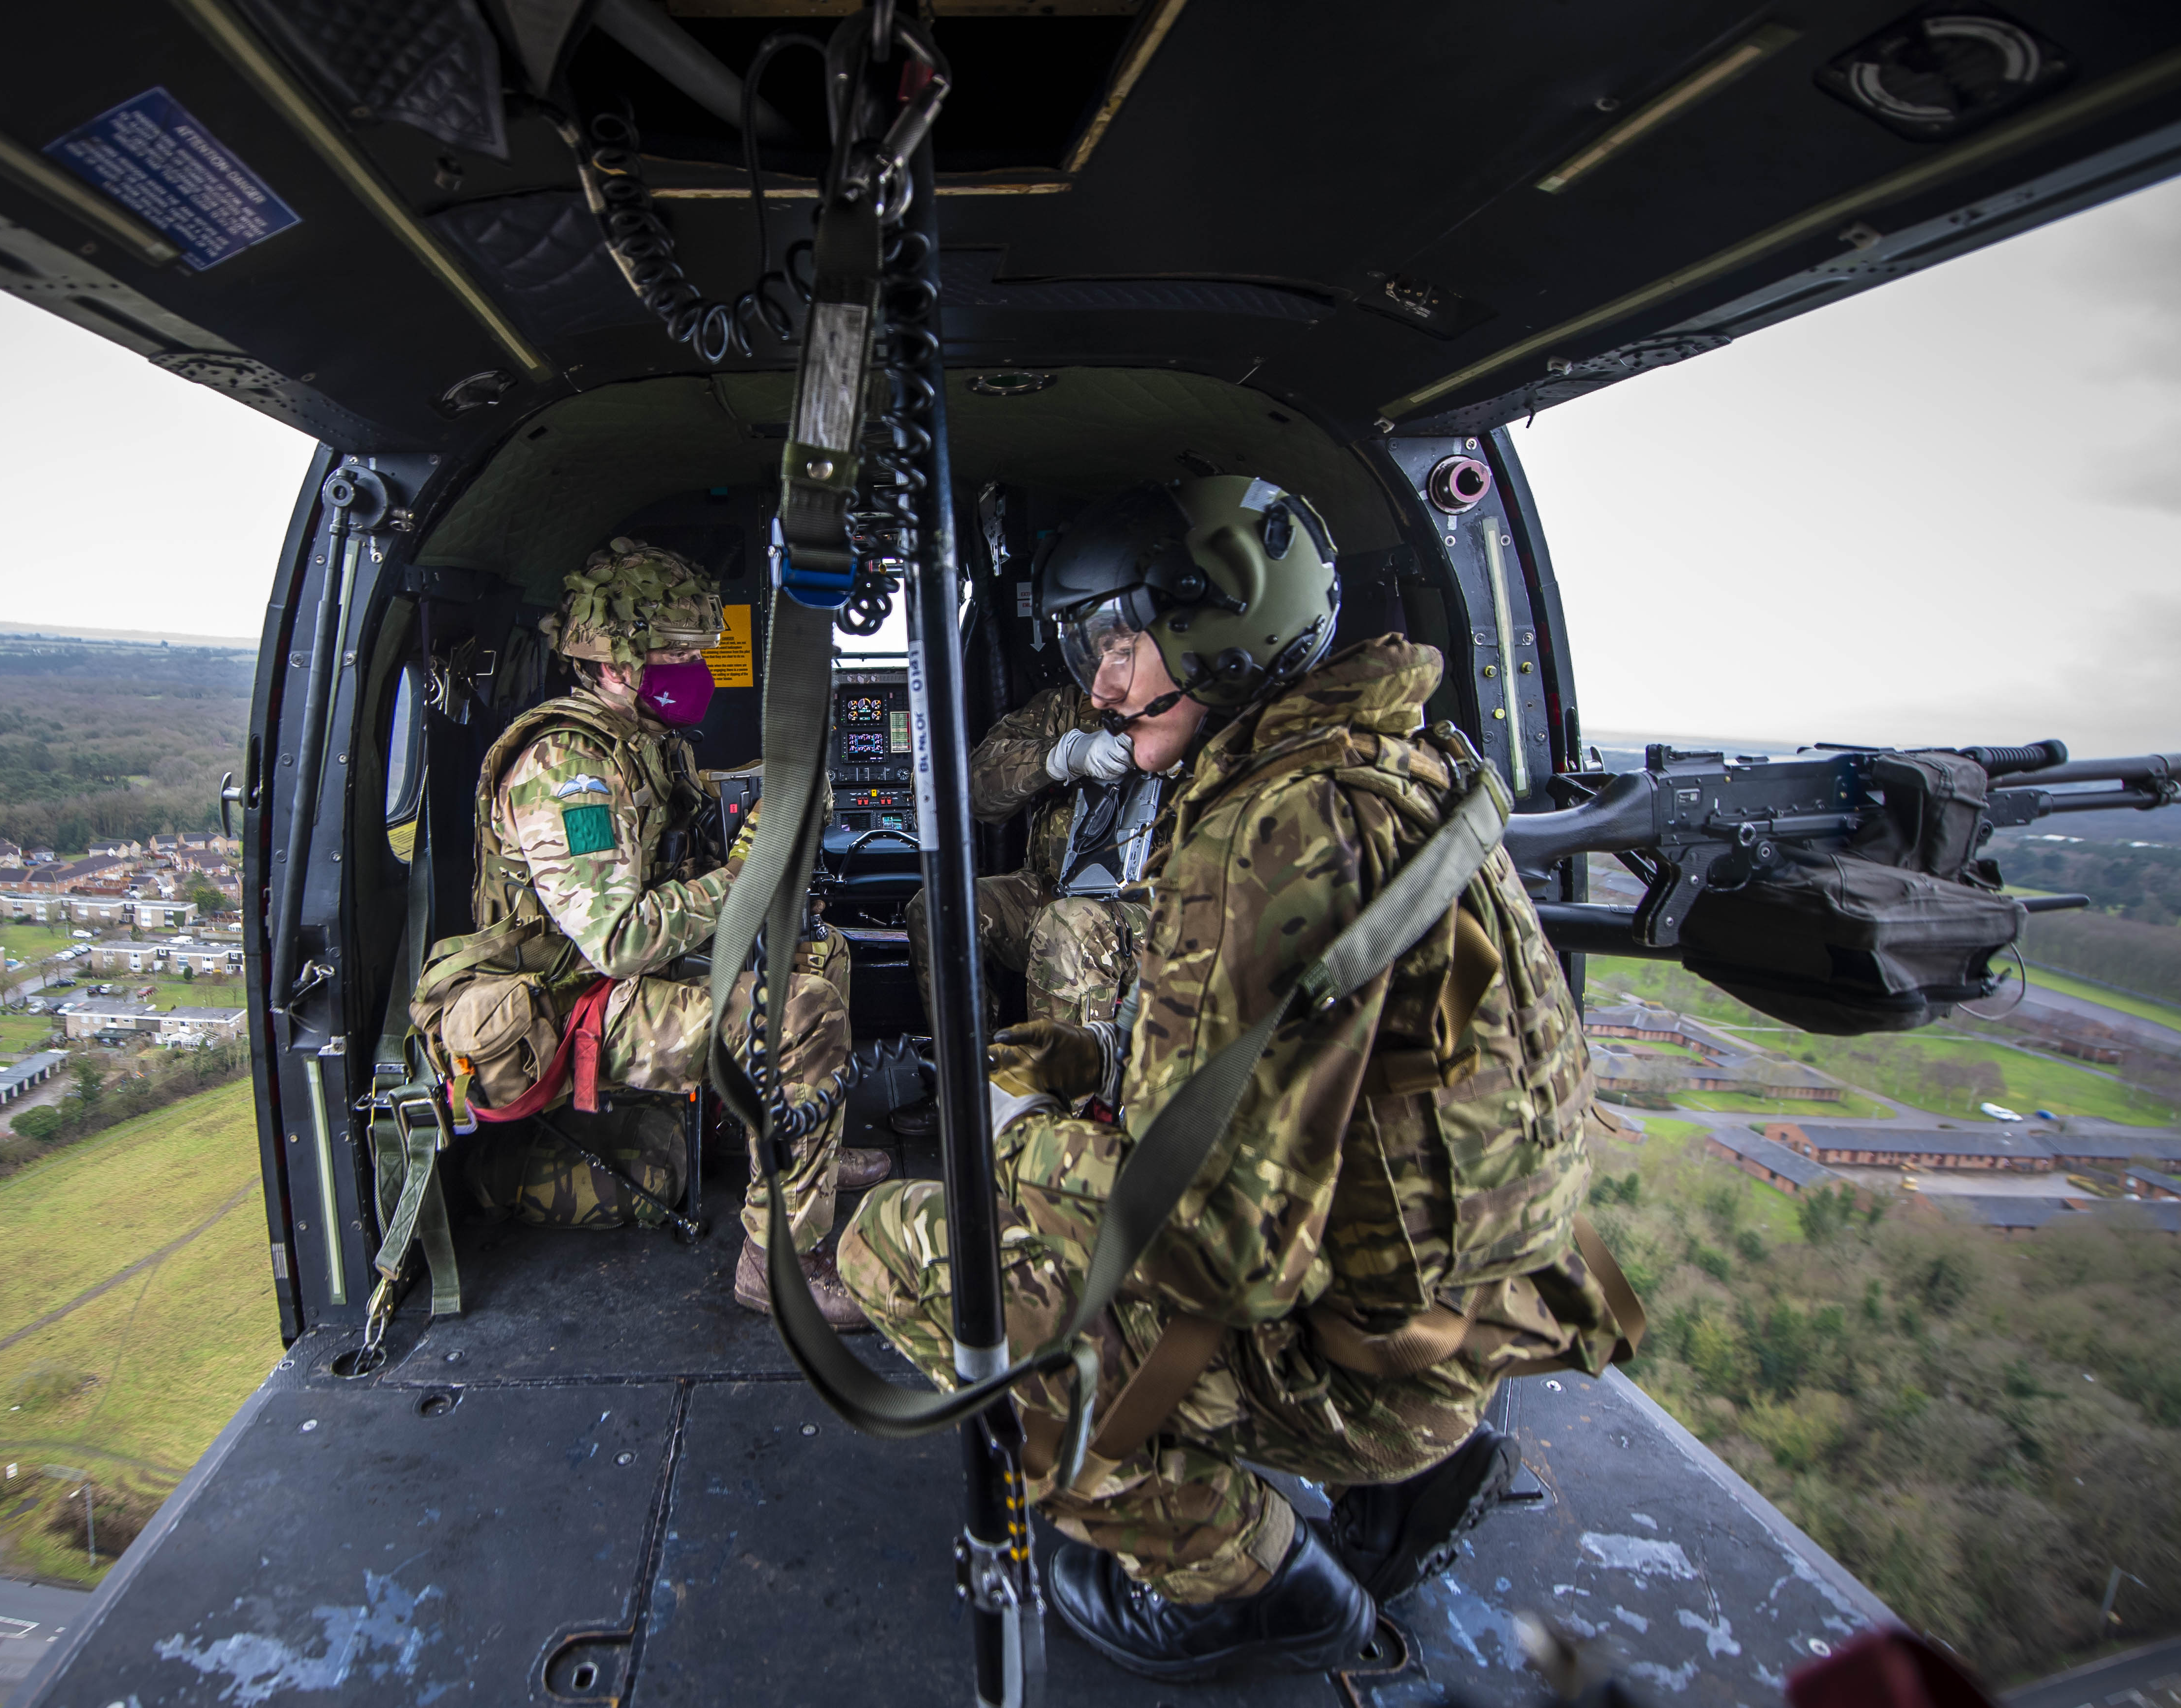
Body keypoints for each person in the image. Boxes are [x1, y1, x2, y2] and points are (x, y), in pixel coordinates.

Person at [838, 478, 1623, 1679]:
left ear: (1217, 631)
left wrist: (1016, 1132)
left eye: (1118, 647)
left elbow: (1215, 1255)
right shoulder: (1396, 764)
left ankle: (1251, 1578)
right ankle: (1412, 1470)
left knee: (889, 1242)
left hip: (1366, 1363)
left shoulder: (1265, 835)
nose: (1101, 684)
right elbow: (1315, 1083)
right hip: (1475, 1318)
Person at [419, 539, 888, 1328]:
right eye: (679, 655)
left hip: (617, 977)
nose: (698, 670)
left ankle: (800, 1153)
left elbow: (680, 829)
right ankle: (777, 1263)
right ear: (614, 664)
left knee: (821, 952)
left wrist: (781, 793)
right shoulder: (565, 769)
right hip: (573, 1001)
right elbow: (622, 940)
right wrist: (744, 873)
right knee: (800, 1014)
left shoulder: (639, 740)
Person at [888, 686, 1148, 1138]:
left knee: (1069, 923)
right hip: (1052, 887)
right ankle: (973, 1092)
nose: (1107, 671)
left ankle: (1057, 1133)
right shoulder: (1069, 706)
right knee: (938, 910)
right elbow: (973, 786)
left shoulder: (1195, 703)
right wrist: (1062, 756)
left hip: (1158, 911)